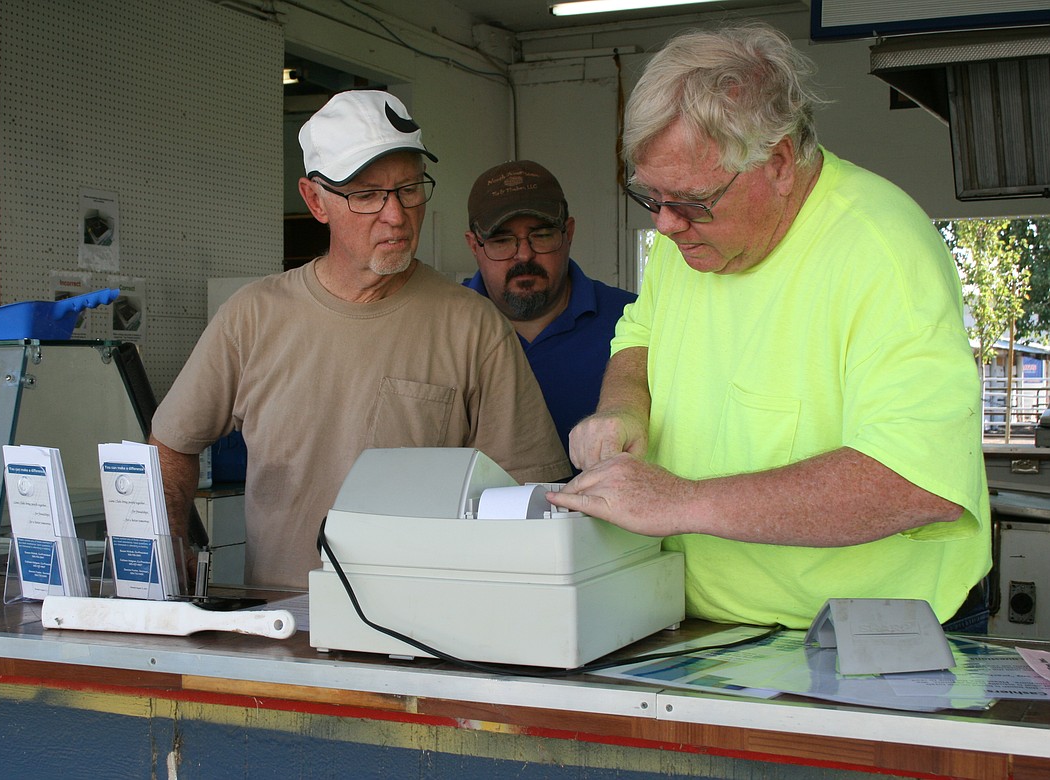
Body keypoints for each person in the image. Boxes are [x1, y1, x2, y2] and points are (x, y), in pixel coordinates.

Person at [547, 23, 991, 631]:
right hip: (700, 622)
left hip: (863, 634)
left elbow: (913, 482)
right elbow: (639, 338)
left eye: (692, 201)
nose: (668, 226)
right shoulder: (689, 244)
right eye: (651, 198)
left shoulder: (881, 248)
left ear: (779, 162)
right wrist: (622, 408)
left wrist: (682, 502)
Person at [151, 90, 569, 589]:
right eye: (367, 195)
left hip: (420, 629)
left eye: (410, 189)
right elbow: (170, 445)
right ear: (314, 201)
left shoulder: (473, 326)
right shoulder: (253, 316)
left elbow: (525, 494)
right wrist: (171, 537)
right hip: (281, 623)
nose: (396, 215)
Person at [463, 160, 637, 461]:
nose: (524, 254)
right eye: (502, 240)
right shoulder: (442, 326)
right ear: (474, 246)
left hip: (599, 508)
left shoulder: (632, 320)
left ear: (568, 233)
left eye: (542, 235)